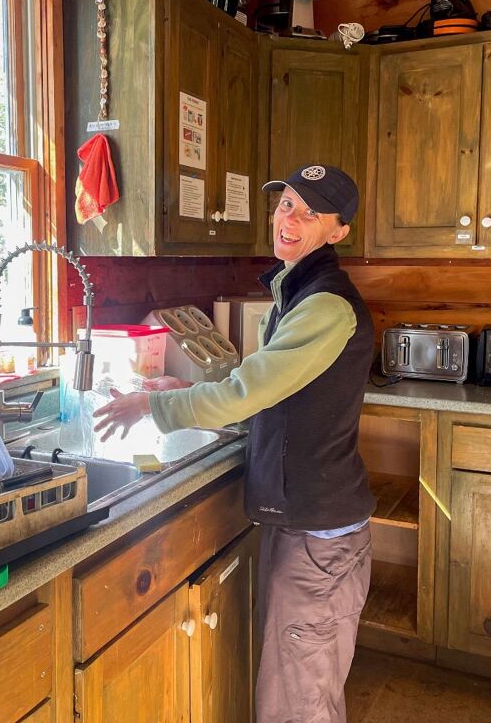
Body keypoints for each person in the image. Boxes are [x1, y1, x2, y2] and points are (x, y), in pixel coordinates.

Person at [93, 164, 376, 723]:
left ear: (339, 231)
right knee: (298, 689)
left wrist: (154, 405)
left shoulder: (324, 304)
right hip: (312, 529)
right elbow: (267, 385)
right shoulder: (297, 290)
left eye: (308, 211)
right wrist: (189, 384)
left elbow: (248, 391)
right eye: (285, 204)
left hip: (320, 539)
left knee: (300, 703)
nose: (287, 219)